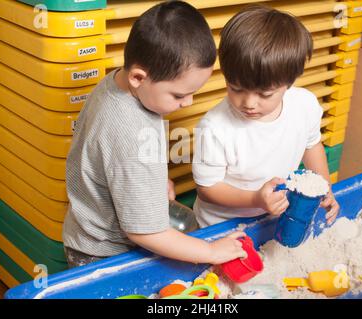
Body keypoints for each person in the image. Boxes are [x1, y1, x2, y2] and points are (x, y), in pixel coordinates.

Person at [63, 1, 247, 268]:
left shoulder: (118, 84)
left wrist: (155, 178)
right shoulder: (130, 134)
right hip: (104, 255)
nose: (188, 103)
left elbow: (109, 164)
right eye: (179, 95)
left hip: (86, 229)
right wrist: (212, 252)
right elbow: (144, 232)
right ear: (139, 77)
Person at [192, 6, 340, 228]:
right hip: (222, 225)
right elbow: (207, 189)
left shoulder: (304, 105)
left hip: (273, 215)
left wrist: (324, 187)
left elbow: (312, 146)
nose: (249, 103)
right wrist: (255, 200)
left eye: (265, 94)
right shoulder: (214, 127)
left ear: (289, 82)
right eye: (236, 88)